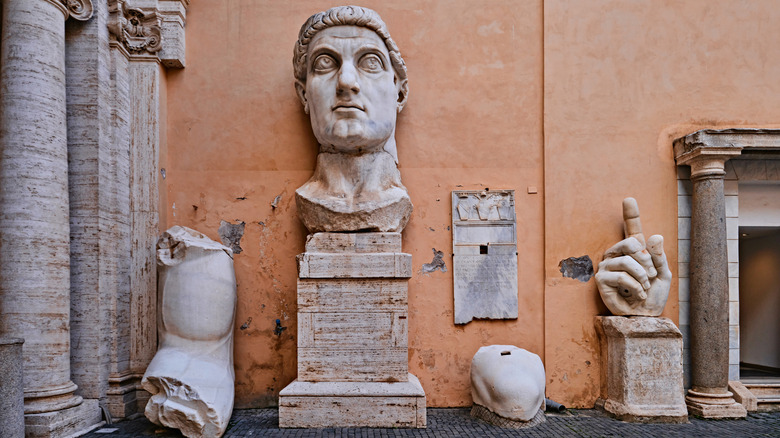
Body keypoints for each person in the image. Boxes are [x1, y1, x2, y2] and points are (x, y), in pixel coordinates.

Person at [293, 6, 413, 233]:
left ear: (399, 93)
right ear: (304, 94)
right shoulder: (309, 199)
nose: (346, 82)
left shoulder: (394, 200)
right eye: (325, 63)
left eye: (370, 62)